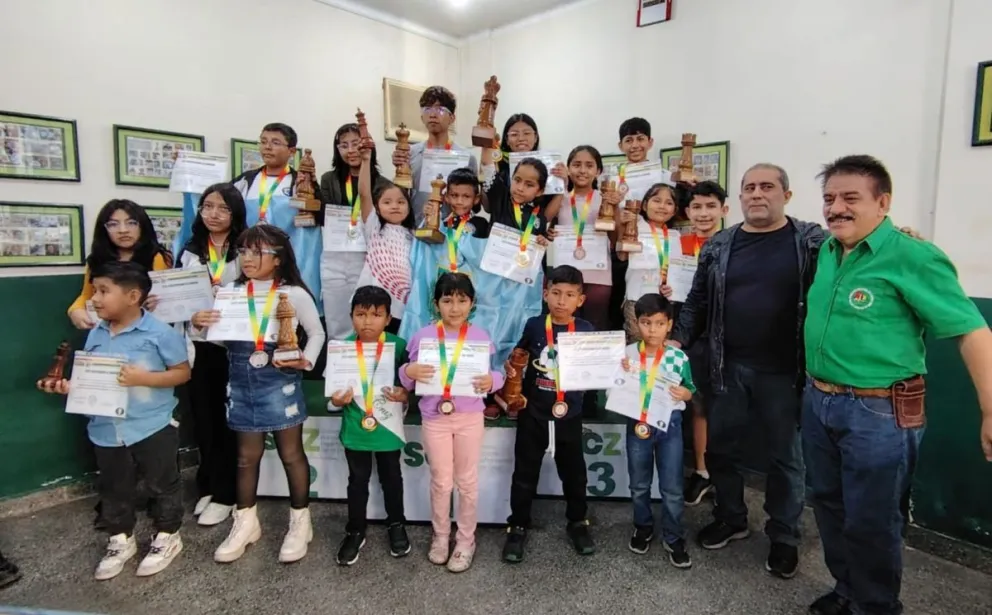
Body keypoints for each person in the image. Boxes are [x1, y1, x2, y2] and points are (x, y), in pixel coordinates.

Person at [802, 155, 992, 615]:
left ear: (883, 202)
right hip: (819, 400)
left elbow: (972, 330)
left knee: (872, 520)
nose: (836, 208)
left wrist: (990, 409)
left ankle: (875, 605)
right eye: (829, 199)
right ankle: (847, 590)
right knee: (828, 505)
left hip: (879, 412)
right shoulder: (829, 249)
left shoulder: (912, 255)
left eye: (851, 198)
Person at [673, 163, 820, 579]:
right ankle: (732, 517)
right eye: (749, 188)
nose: (757, 194)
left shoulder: (811, 241)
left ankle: (785, 535)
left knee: (786, 458)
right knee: (721, 449)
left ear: (785, 196)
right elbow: (698, 299)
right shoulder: (720, 244)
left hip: (784, 371)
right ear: (739, 198)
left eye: (767, 187)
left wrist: (900, 237)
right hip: (727, 367)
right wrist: (678, 340)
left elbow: (856, 246)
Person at [39, 261, 191, 580]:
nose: (94, 298)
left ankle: (168, 534)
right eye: (95, 290)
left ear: (133, 296)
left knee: (162, 481)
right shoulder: (96, 333)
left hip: (151, 425)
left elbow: (182, 372)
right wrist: (69, 388)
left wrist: (143, 378)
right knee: (114, 485)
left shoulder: (159, 333)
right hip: (106, 429)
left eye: (104, 291)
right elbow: (92, 377)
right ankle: (120, 538)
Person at [197, 225, 325, 565]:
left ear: (279, 258)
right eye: (243, 251)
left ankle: (300, 522)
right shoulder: (230, 290)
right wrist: (201, 323)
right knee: (244, 457)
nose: (248, 258)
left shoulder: (293, 293)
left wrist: (305, 361)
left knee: (291, 454)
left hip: (279, 379)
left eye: (257, 252)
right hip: (240, 379)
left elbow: (316, 332)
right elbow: (219, 338)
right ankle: (245, 522)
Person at [399, 273, 504, 573]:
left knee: (467, 481)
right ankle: (441, 536)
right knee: (441, 481)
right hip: (435, 417)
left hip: (470, 417)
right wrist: (409, 369)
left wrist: (492, 381)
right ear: (436, 304)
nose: (454, 308)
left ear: (472, 304)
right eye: (447, 301)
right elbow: (405, 377)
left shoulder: (480, 337)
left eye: (462, 300)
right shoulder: (424, 336)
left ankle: (466, 540)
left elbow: (496, 375)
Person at [502, 265, 595, 563]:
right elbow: (518, 357)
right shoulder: (532, 325)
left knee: (575, 474)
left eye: (569, 295)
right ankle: (517, 525)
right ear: (545, 294)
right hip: (534, 412)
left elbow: (595, 368)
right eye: (555, 293)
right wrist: (511, 370)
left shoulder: (585, 330)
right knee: (525, 473)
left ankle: (578, 522)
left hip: (569, 414)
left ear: (580, 300)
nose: (561, 301)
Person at [176, 183, 247, 527]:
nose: (213, 214)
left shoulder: (247, 248)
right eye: (207, 207)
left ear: (235, 213)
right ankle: (208, 483)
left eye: (222, 208)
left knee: (229, 421)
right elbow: (176, 299)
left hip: (234, 346)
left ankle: (227, 493)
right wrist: (191, 315)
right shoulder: (189, 250)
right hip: (199, 344)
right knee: (203, 418)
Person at [329, 286, 411, 566]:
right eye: (361, 314)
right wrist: (338, 400)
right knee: (357, 481)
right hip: (355, 427)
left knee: (392, 478)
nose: (367, 321)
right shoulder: (342, 348)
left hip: (388, 427)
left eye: (376, 315)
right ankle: (355, 530)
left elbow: (409, 385)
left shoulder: (399, 347)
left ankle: (396, 524)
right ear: (351, 316)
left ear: (388, 319)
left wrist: (404, 394)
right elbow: (333, 398)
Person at [615, 293, 694, 568]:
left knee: (672, 487)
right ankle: (643, 526)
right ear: (637, 323)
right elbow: (613, 387)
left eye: (659, 324)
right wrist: (619, 373)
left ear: (669, 325)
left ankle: (673, 536)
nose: (652, 330)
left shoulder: (677, 357)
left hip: (669, 425)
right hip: (637, 424)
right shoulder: (626, 355)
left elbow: (690, 389)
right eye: (646, 323)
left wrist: (685, 393)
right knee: (639, 484)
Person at [478, 156, 552, 421]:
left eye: (529, 184)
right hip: (494, 286)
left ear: (540, 191)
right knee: (491, 334)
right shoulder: (500, 201)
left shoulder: (539, 217)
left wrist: (542, 240)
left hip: (523, 290)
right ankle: (486, 393)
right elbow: (487, 170)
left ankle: (508, 391)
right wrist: (487, 134)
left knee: (517, 335)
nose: (521, 187)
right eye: (517, 180)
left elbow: (536, 251)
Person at [679, 181, 729, 506]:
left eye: (711, 206)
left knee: (728, 409)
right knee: (698, 405)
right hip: (689, 332)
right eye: (696, 207)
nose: (703, 214)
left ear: (724, 210)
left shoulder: (736, 244)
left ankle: (726, 478)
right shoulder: (677, 243)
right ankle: (702, 472)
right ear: (687, 212)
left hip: (729, 336)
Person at [319, 122, 390, 339]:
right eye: (343, 145)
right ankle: (339, 363)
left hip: (367, 255)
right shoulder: (329, 180)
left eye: (356, 144)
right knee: (336, 313)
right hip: (335, 253)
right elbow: (324, 214)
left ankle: (367, 360)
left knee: (366, 311)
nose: (350, 150)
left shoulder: (383, 184)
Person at [67, 199, 173, 330]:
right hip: (106, 329)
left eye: (131, 223)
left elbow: (165, 298)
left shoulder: (157, 258)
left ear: (142, 226)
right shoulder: (96, 259)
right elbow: (86, 295)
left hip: (147, 329)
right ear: (104, 229)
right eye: (113, 224)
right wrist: (75, 310)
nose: (123, 230)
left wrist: (157, 302)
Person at [353, 138, 416, 334]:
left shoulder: (413, 235)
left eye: (400, 202)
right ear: (378, 208)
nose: (395, 206)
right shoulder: (374, 228)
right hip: (374, 304)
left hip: (403, 305)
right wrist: (365, 160)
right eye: (387, 202)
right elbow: (364, 194)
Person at [391, 86, 478, 223]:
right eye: (427, 109)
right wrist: (399, 170)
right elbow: (400, 195)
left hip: (453, 232)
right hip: (417, 228)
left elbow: (475, 203)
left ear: (452, 118)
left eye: (440, 110)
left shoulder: (467, 157)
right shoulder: (410, 153)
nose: (433, 114)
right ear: (421, 116)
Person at [554, 145, 612, 332]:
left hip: (598, 273)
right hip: (565, 273)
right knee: (564, 325)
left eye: (589, 165)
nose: (582, 170)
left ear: (598, 171)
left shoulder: (605, 198)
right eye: (577, 164)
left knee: (595, 326)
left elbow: (616, 236)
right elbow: (545, 223)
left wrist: (615, 207)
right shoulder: (560, 198)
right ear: (568, 168)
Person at [617, 183, 681, 341]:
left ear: (675, 210)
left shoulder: (676, 236)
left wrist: (673, 287)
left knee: (660, 350)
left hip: (665, 302)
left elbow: (678, 271)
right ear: (645, 205)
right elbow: (621, 256)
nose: (662, 206)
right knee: (637, 346)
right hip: (636, 298)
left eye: (669, 203)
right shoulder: (635, 226)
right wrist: (622, 226)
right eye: (657, 200)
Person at [479, 113, 565, 222]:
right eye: (514, 134)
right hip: (500, 234)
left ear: (535, 137)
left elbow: (545, 219)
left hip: (532, 234)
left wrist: (562, 184)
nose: (521, 138)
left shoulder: (549, 168)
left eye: (527, 133)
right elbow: (488, 208)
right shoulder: (497, 166)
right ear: (506, 139)